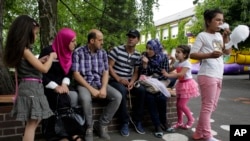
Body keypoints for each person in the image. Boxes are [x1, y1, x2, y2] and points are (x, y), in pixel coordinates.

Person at [3, 15, 57, 141]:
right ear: (26, 33)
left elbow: (30, 66)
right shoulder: (25, 50)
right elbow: (44, 69)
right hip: (30, 89)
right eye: (35, 33)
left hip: (32, 87)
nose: (36, 36)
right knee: (32, 124)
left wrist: (40, 60)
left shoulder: (23, 50)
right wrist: (51, 57)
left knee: (34, 120)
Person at [72, 29, 122, 141]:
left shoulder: (103, 53)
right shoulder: (78, 52)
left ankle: (101, 125)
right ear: (92, 40)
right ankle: (89, 127)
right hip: (84, 84)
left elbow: (105, 72)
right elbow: (76, 74)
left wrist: (103, 88)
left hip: (99, 83)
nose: (102, 42)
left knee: (117, 96)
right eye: (100, 40)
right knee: (85, 99)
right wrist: (91, 89)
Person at [189, 8, 231, 141]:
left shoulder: (219, 36)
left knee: (212, 106)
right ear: (208, 21)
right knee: (207, 106)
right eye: (217, 20)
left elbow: (227, 52)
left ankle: (199, 133)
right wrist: (210, 55)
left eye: (222, 20)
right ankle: (207, 136)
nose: (221, 22)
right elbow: (193, 54)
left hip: (218, 74)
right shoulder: (202, 35)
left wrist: (226, 36)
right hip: (207, 74)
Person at [39, 28, 83, 141]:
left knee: (71, 96)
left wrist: (64, 84)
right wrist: (55, 86)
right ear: (64, 40)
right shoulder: (48, 51)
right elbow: (40, 73)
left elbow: (68, 74)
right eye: (72, 41)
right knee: (60, 98)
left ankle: (68, 133)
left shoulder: (69, 53)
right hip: (48, 86)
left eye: (75, 41)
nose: (75, 43)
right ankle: (63, 134)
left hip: (63, 86)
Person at [108, 29, 146, 136]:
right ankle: (124, 122)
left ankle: (136, 120)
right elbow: (109, 66)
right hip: (115, 79)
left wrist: (132, 82)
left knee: (142, 91)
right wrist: (119, 79)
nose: (130, 38)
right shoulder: (117, 50)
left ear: (138, 40)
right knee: (122, 91)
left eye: (133, 37)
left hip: (129, 80)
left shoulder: (137, 55)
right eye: (129, 36)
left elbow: (136, 72)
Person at [139, 39, 175, 138]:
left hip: (160, 84)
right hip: (149, 86)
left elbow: (165, 75)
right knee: (150, 99)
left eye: (151, 49)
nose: (148, 51)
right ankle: (157, 125)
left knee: (162, 98)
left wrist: (153, 76)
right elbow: (143, 75)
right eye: (147, 48)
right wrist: (145, 65)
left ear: (156, 49)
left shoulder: (163, 57)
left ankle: (164, 122)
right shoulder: (144, 57)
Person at [162, 45, 200, 130]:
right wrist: (169, 62)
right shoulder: (177, 62)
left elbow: (181, 74)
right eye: (176, 51)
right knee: (177, 105)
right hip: (181, 84)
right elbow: (169, 69)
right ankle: (179, 122)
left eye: (178, 52)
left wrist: (168, 75)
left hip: (187, 85)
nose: (176, 53)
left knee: (181, 105)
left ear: (185, 54)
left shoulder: (187, 63)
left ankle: (191, 120)